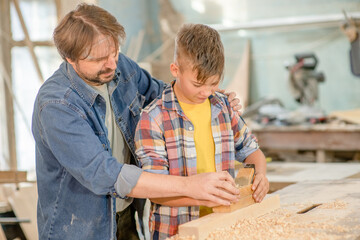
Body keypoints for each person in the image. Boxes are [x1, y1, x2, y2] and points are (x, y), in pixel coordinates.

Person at [31, 3, 243, 240]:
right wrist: (190, 186)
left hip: (125, 214)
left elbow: (163, 95)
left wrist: (206, 96)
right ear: (70, 58)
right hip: (81, 227)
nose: (112, 64)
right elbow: (104, 173)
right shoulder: (57, 105)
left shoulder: (122, 67)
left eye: (114, 52)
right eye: (100, 59)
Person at [135, 23, 269, 239]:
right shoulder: (153, 119)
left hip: (226, 226)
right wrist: (203, 197)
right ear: (175, 69)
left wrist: (260, 175)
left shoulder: (223, 106)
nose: (206, 92)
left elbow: (251, 150)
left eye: (214, 83)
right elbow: (155, 190)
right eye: (198, 84)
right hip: (175, 230)